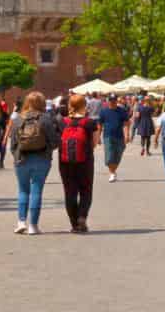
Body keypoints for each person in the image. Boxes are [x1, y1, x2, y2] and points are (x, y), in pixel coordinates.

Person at [8, 91, 60, 234]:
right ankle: (33, 226)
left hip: (22, 158)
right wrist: (48, 150)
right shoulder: (45, 119)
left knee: (23, 190)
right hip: (41, 158)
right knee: (37, 190)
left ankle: (21, 222)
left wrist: (16, 155)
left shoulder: (18, 119)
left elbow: (13, 143)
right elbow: (55, 141)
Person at [56, 94, 98, 233]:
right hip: (85, 161)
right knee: (86, 190)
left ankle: (74, 223)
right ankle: (82, 217)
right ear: (84, 105)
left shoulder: (62, 121)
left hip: (65, 162)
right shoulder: (90, 123)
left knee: (69, 192)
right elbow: (95, 143)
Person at [98, 94, 128, 180]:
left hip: (120, 136)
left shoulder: (122, 111)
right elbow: (99, 125)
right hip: (108, 136)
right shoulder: (103, 111)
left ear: (116, 101)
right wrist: (98, 137)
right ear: (108, 101)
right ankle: (112, 172)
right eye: (111, 100)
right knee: (109, 156)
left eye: (114, 100)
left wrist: (127, 135)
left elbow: (126, 124)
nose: (113, 102)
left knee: (118, 155)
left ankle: (113, 171)